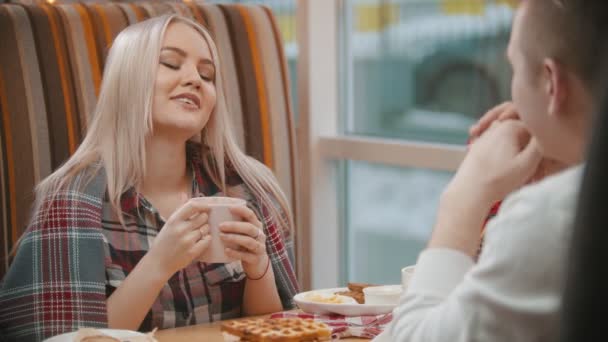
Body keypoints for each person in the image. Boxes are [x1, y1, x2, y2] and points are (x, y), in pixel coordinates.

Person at [0, 14, 299, 341]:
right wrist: (159, 263)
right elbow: (71, 338)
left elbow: (277, 330)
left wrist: (259, 271)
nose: (195, 80)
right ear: (128, 79)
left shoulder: (246, 187)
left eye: (207, 74)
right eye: (171, 63)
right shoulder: (71, 200)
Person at [376, 1, 608, 341]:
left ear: (551, 83)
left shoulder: (550, 218)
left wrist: (465, 198)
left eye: (513, 68)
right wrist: (566, 137)